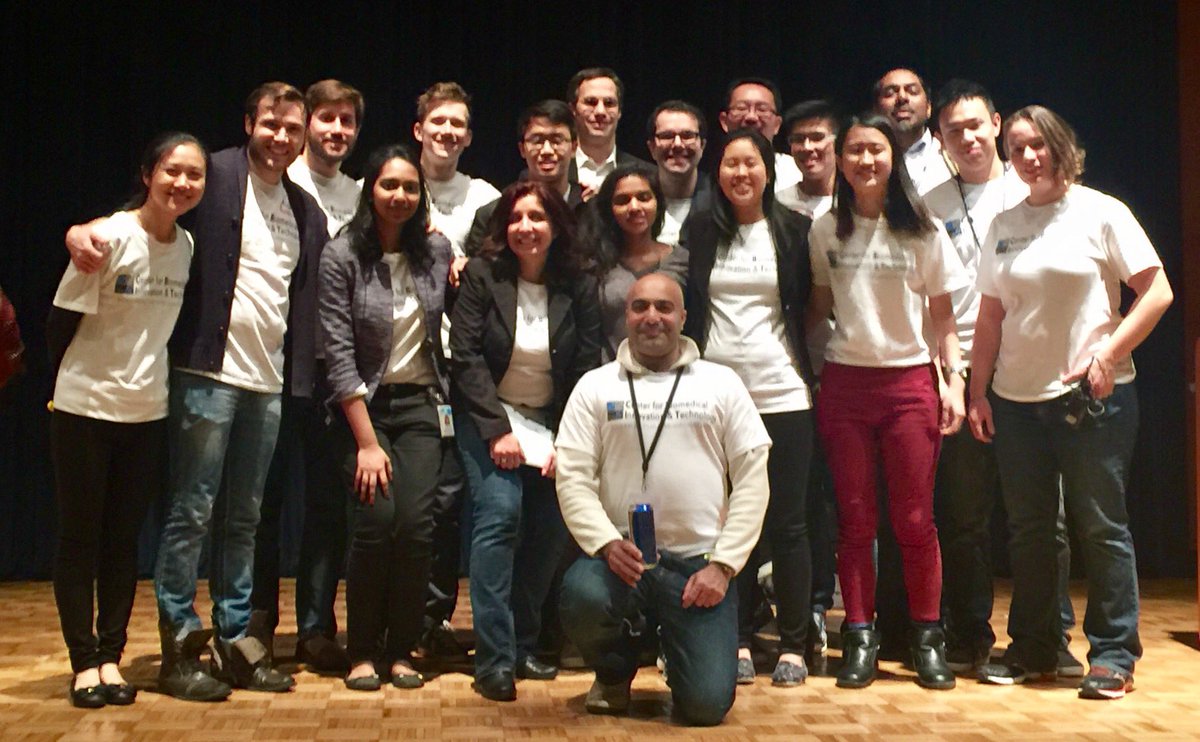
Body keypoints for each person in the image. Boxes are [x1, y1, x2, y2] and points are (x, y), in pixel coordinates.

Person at [66, 81, 329, 700]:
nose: (282, 136)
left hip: (267, 384)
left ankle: (237, 643)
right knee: (191, 512)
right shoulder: (210, 175)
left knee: (245, 519)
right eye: (271, 123)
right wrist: (81, 231)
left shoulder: (304, 208)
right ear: (248, 123)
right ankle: (179, 649)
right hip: (206, 377)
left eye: (293, 128)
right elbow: (144, 215)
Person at [970, 105, 1172, 700]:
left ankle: (1113, 654)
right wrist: (978, 390)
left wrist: (1109, 350)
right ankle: (1035, 646)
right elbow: (989, 316)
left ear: (1062, 146)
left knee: (1101, 526)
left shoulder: (1101, 211)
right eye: (1018, 148)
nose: (1029, 157)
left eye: (1039, 145)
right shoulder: (1004, 224)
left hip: (1091, 400)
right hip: (1015, 401)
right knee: (1031, 531)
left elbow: (1156, 291)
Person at [556, 272, 772, 726]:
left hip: (700, 568)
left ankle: (680, 655)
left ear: (684, 317)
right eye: (640, 307)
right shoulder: (595, 386)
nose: (651, 317)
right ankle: (615, 673)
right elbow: (573, 477)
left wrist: (724, 565)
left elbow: (753, 480)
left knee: (705, 709)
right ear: (625, 315)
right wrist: (604, 543)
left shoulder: (722, 383)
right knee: (582, 595)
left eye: (664, 307)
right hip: (621, 560)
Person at [805, 114, 967, 690]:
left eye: (875, 150)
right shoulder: (826, 230)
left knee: (916, 520)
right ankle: (858, 636)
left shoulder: (922, 231)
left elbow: (944, 318)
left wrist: (954, 381)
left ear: (891, 159)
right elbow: (818, 311)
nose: (865, 161)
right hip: (846, 387)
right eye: (854, 152)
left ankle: (927, 638)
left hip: (909, 386)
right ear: (841, 162)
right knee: (854, 521)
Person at [47, 133, 206, 708]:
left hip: (147, 410)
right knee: (80, 536)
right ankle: (83, 661)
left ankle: (112, 657)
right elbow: (59, 326)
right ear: (148, 174)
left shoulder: (186, 246)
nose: (182, 184)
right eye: (173, 171)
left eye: (195, 176)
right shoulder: (109, 236)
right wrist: (70, 388)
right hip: (85, 407)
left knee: (122, 540)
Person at [449, 180, 601, 701]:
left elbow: (585, 363)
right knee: (500, 514)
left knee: (550, 528)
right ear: (502, 226)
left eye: (537, 218)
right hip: (489, 418)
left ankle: (523, 645)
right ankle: (493, 660)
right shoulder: (482, 275)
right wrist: (498, 431)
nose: (526, 228)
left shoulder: (577, 281)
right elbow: (465, 357)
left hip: (554, 424)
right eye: (516, 218)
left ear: (557, 226)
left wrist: (568, 438)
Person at [681, 129, 816, 687]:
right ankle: (733, 639)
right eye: (731, 164)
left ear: (768, 171)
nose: (741, 173)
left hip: (784, 392)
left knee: (788, 523)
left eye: (751, 163)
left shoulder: (794, 230)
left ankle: (793, 645)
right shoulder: (701, 230)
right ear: (720, 173)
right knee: (723, 523)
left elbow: (807, 307)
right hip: (715, 397)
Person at [318, 144, 453, 691]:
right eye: (388, 185)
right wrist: (368, 445)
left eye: (410, 188)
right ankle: (362, 652)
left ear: (421, 197)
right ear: (369, 190)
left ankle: (403, 649)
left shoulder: (436, 251)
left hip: (422, 406)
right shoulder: (342, 254)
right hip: (362, 412)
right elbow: (337, 351)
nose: (399, 196)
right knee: (374, 525)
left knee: (417, 528)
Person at [252, 78, 364, 676]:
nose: (336, 131)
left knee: (327, 509)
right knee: (260, 507)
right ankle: (256, 627)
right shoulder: (270, 181)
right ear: (305, 126)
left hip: (332, 375)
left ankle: (318, 629)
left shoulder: (364, 194)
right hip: (270, 366)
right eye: (327, 119)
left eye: (347, 121)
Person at [411, 81, 499, 658]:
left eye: (457, 124)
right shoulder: (391, 183)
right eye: (437, 122)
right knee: (422, 501)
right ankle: (407, 618)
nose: (447, 132)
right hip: (403, 364)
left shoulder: (487, 197)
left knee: (455, 497)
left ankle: (438, 619)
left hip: (463, 365)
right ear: (419, 129)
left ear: (468, 135)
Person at [775, 99, 840, 660]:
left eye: (818, 138)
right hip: (793, 372)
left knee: (831, 501)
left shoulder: (864, 199)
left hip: (851, 371)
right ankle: (799, 610)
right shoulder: (779, 208)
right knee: (796, 501)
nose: (809, 149)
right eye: (799, 141)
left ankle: (826, 608)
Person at [584, 163, 688, 361]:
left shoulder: (683, 261)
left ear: (658, 203)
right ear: (609, 208)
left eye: (644, 197)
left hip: (674, 378)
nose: (634, 207)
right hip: (614, 379)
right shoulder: (596, 265)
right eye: (623, 200)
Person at [463, 100, 584, 257]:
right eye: (537, 140)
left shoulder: (592, 212)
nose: (547, 150)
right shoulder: (492, 216)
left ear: (574, 147)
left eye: (557, 140)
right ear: (522, 149)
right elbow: (476, 274)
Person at [566, 67, 651, 195]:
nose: (600, 111)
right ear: (572, 109)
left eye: (609, 103)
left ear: (619, 111)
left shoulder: (648, 175)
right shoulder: (551, 173)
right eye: (591, 102)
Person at [873, 68, 951, 196]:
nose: (902, 97)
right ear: (876, 110)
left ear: (928, 108)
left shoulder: (954, 157)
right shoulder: (867, 164)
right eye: (890, 93)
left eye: (912, 91)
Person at [718, 78, 802, 192]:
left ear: (777, 124)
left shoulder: (797, 171)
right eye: (741, 108)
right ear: (724, 121)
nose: (751, 117)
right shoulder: (707, 174)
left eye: (762, 109)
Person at [645, 100, 711, 246]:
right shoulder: (635, 202)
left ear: (702, 146)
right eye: (667, 135)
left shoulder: (721, 202)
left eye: (687, 135)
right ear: (652, 148)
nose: (677, 144)